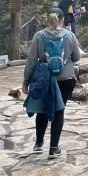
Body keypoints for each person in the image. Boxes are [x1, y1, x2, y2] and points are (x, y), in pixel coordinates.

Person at [23, 9, 81, 158]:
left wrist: (26, 81)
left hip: (44, 79)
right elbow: (76, 56)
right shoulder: (70, 36)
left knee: (42, 109)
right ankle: (53, 148)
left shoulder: (39, 36)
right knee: (59, 110)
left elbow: (31, 60)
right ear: (62, 19)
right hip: (65, 78)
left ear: (48, 19)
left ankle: (39, 144)